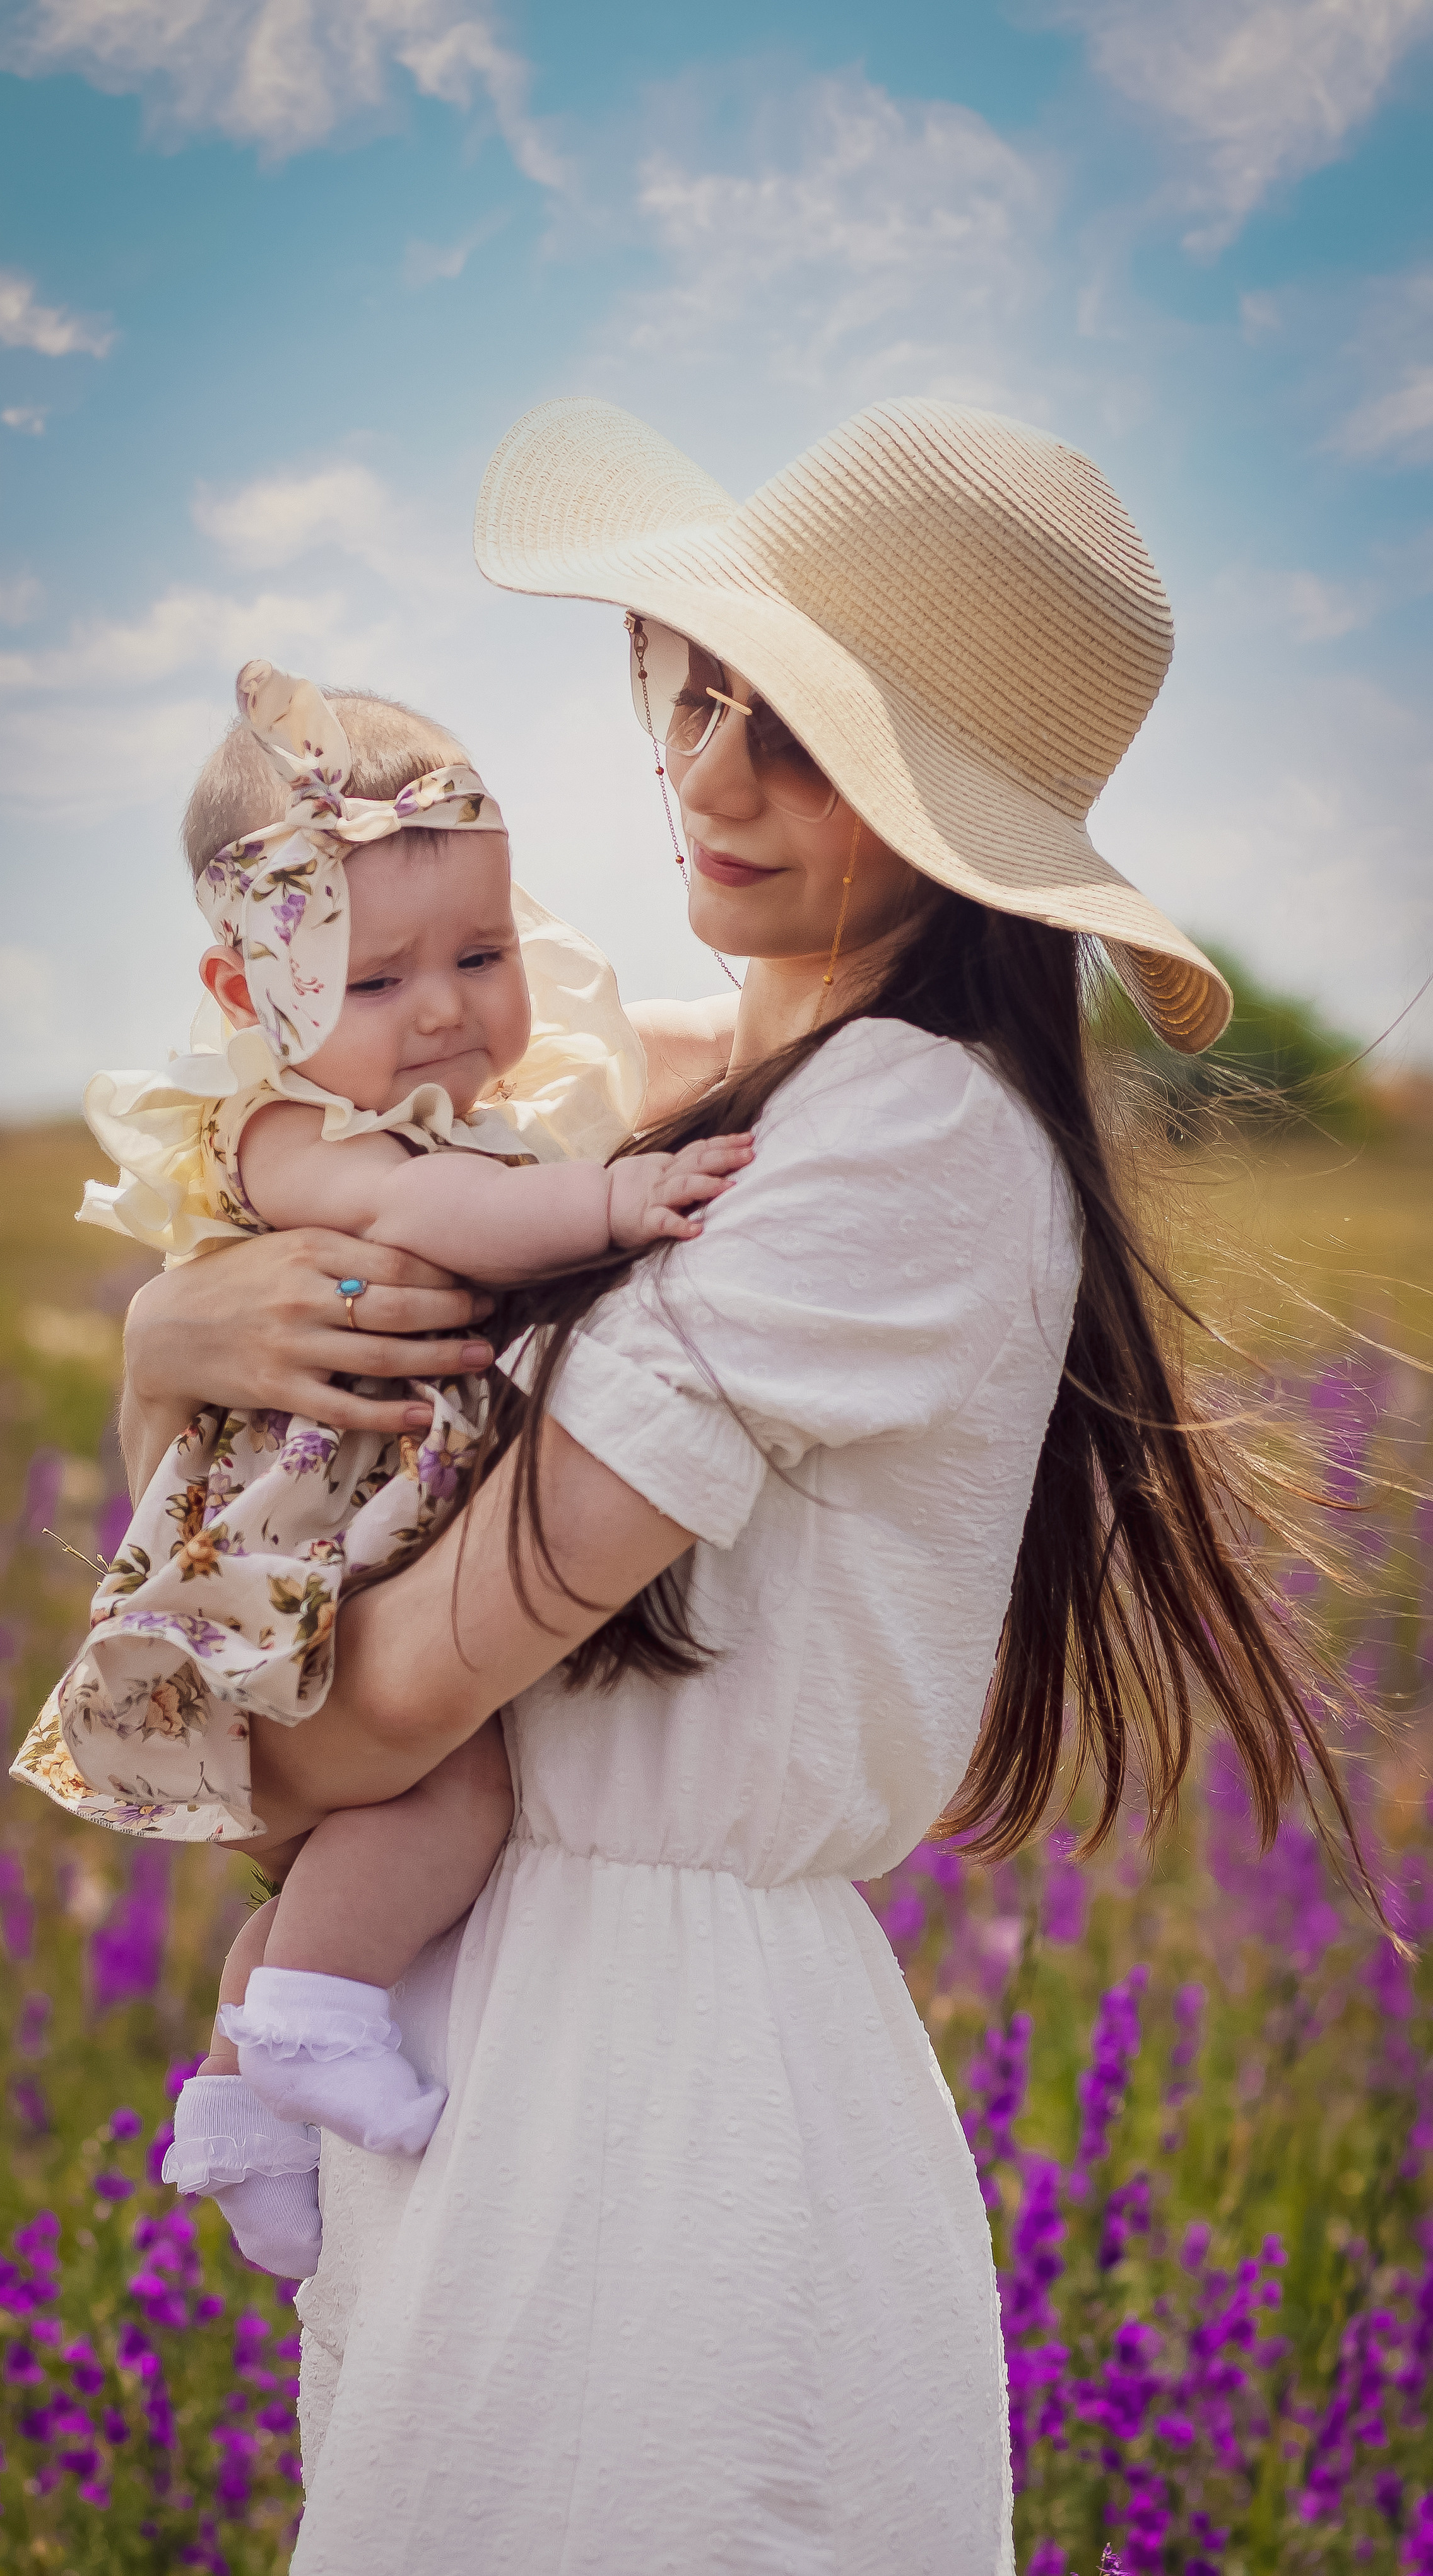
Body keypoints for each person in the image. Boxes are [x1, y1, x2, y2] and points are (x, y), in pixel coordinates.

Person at [114, 397, 1373, 2575]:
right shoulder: (735, 1104)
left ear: (943, 817)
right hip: (517, 2034)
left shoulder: (903, 1133)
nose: (701, 774)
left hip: (655, 2108)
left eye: (796, 738)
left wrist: (197, 1694)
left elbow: (376, 1706)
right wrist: (171, 1350)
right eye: (698, 694)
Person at [14, 656, 748, 2268]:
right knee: (452, 1787)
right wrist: (621, 1205)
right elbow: (457, 1219)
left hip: (376, 1527)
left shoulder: (433, 1088)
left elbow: (654, 1039)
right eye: (374, 977)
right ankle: (301, 2015)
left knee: (389, 1824)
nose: (441, 1010)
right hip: (321, 1551)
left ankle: (237, 2089)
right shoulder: (293, 1134)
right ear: (245, 996)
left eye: (481, 953)